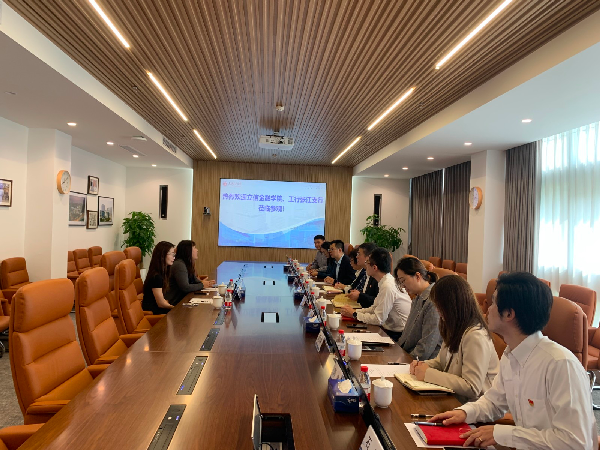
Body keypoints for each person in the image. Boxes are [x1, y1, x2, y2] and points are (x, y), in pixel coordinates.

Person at [430, 272, 597, 450]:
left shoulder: (560, 364)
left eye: (494, 302)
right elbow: (493, 402)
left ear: (509, 314)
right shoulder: (511, 355)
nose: (488, 308)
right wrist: (464, 413)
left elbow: (576, 442)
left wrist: (503, 434)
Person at [410, 275, 499, 401]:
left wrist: (428, 373)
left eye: (439, 306)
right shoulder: (454, 326)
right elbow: (442, 362)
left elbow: (472, 387)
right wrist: (422, 365)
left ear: (452, 305)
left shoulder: (476, 336)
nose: (437, 310)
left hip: (476, 405)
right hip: (454, 399)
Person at [340, 247, 411, 341]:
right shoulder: (384, 281)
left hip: (398, 335)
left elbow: (378, 319)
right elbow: (374, 308)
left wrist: (354, 314)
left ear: (374, 267)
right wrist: (354, 312)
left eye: (367, 262)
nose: (365, 266)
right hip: (389, 330)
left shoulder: (388, 285)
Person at [396, 257, 442, 360]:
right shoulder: (418, 298)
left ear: (417, 276)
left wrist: (404, 361)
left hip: (421, 362)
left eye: (403, 280)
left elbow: (426, 348)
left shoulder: (433, 300)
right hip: (408, 355)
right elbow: (406, 337)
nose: (402, 286)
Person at [165, 240, 215, 306]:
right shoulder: (179, 265)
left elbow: (195, 281)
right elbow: (185, 287)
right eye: (194, 248)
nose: (197, 250)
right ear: (188, 251)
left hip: (185, 300)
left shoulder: (187, 264)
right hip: (176, 304)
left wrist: (206, 283)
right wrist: (202, 285)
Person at [335, 242, 378, 308]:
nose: (357, 257)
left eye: (359, 254)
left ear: (368, 257)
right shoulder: (366, 272)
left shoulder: (375, 275)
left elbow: (377, 302)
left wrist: (359, 296)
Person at [142, 241, 176, 314]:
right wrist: (176, 308)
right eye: (172, 254)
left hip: (158, 308)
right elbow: (161, 303)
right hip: (153, 311)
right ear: (162, 255)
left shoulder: (161, 273)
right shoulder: (156, 277)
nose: (174, 257)